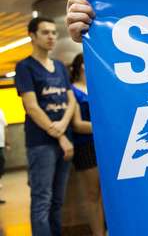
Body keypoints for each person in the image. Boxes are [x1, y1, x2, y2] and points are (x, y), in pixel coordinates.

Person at [14, 17, 76, 236]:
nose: (51, 36)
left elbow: (71, 101)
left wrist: (64, 126)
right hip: (41, 144)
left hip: (65, 140)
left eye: (54, 32)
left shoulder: (59, 67)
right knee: (42, 200)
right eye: (45, 32)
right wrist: (59, 135)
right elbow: (32, 107)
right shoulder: (25, 67)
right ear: (32, 36)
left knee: (58, 201)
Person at [69, 53, 105, 236]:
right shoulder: (72, 90)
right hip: (86, 145)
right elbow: (77, 124)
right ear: (82, 65)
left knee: (109, 192)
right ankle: (98, 233)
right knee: (93, 194)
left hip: (105, 144)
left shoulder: (98, 86)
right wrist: (103, 128)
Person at [0, 106, 7, 204]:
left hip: (0, 143)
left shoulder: (1, 111)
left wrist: (6, 142)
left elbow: (5, 126)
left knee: (1, 164)